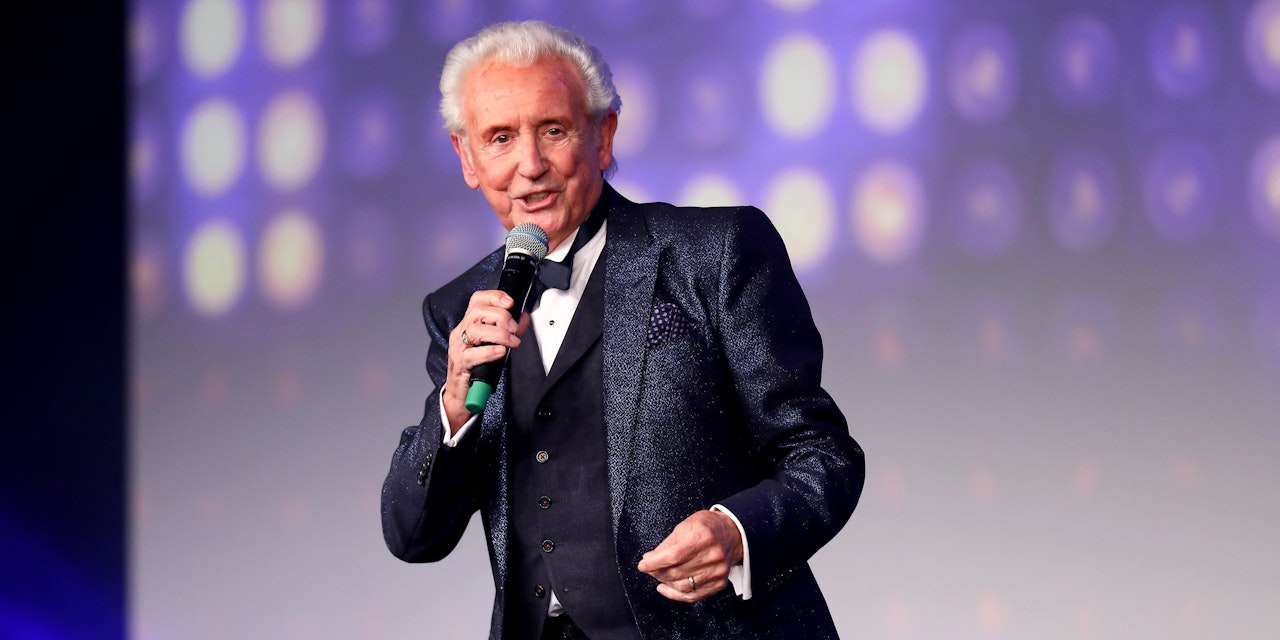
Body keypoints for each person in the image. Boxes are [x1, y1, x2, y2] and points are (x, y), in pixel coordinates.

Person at [381, 20, 865, 640]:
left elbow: (823, 455)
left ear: (603, 135)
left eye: (553, 130)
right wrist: (453, 406)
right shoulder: (457, 310)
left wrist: (736, 530)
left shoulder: (715, 253)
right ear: (466, 157)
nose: (530, 165)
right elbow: (413, 536)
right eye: (500, 138)